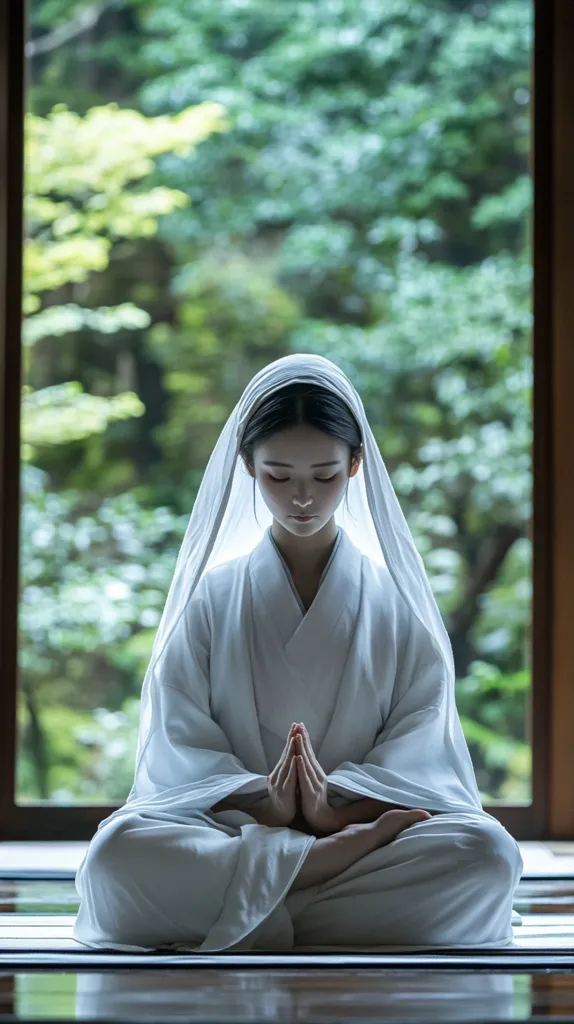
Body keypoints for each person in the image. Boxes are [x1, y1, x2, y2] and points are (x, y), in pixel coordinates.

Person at [73, 353, 523, 953]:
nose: (303, 498)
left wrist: (341, 814)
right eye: (279, 477)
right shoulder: (212, 599)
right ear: (248, 465)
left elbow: (422, 747)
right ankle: (312, 880)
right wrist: (263, 801)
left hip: (362, 832)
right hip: (235, 829)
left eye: (326, 475)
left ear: (356, 464)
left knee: (486, 855)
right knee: (116, 857)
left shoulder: (395, 604)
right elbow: (177, 747)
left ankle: (264, 895)